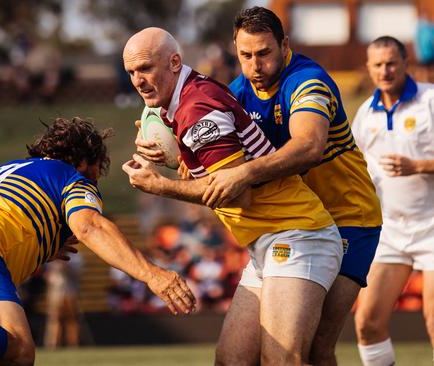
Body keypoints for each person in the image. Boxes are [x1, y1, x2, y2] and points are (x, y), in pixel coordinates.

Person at [0, 117, 196, 366]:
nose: (94, 181)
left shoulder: (0, 172)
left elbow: (3, 214)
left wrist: (46, 243)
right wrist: (153, 275)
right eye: (95, 172)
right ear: (82, 161)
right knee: (20, 348)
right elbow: (90, 226)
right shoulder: (71, 177)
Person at [122, 27, 342, 365]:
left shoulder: (197, 109)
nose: (138, 80)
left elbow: (237, 197)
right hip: (265, 240)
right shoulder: (178, 102)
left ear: (174, 62)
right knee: (231, 359)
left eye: (146, 68)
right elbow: (209, 160)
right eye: (132, 72)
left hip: (298, 234)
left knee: (282, 360)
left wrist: (160, 186)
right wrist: (176, 155)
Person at [199, 7, 383, 364]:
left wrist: (245, 174)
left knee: (313, 347)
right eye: (245, 55)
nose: (255, 65)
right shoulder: (238, 92)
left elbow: (309, 146)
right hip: (290, 225)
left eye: (264, 53)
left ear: (285, 45)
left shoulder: (308, 81)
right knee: (233, 357)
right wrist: (166, 151)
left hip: (349, 219)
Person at [351, 36, 434, 366]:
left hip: (432, 226)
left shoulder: (429, 101)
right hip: (389, 232)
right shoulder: (363, 115)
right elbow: (351, 170)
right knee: (368, 323)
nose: (385, 70)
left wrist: (419, 166)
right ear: (368, 69)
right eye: (378, 64)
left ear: (405, 64)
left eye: (391, 63)